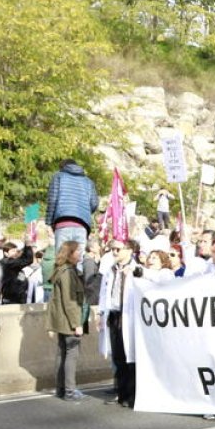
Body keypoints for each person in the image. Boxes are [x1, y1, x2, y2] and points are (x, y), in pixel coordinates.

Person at [102, 239, 142, 407]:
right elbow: (104, 292)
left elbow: (146, 276)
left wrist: (135, 271)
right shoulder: (111, 269)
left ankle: (132, 395)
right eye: (112, 250)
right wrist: (100, 313)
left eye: (118, 249)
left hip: (129, 316)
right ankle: (121, 392)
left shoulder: (136, 269)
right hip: (114, 314)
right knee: (117, 356)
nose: (115, 252)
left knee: (130, 357)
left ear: (129, 250)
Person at [47, 241, 87, 402]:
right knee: (71, 354)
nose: (80, 254)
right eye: (77, 251)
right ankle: (70, 390)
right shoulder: (68, 273)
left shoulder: (61, 271)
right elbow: (70, 301)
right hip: (69, 321)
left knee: (62, 353)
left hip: (61, 321)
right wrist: (77, 323)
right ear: (70, 254)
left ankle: (61, 389)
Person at [45, 158, 99, 253]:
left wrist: (48, 223)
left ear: (62, 167)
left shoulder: (58, 177)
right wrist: (84, 212)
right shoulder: (88, 181)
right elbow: (94, 204)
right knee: (78, 261)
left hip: (62, 224)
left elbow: (52, 200)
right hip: (82, 226)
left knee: (61, 261)